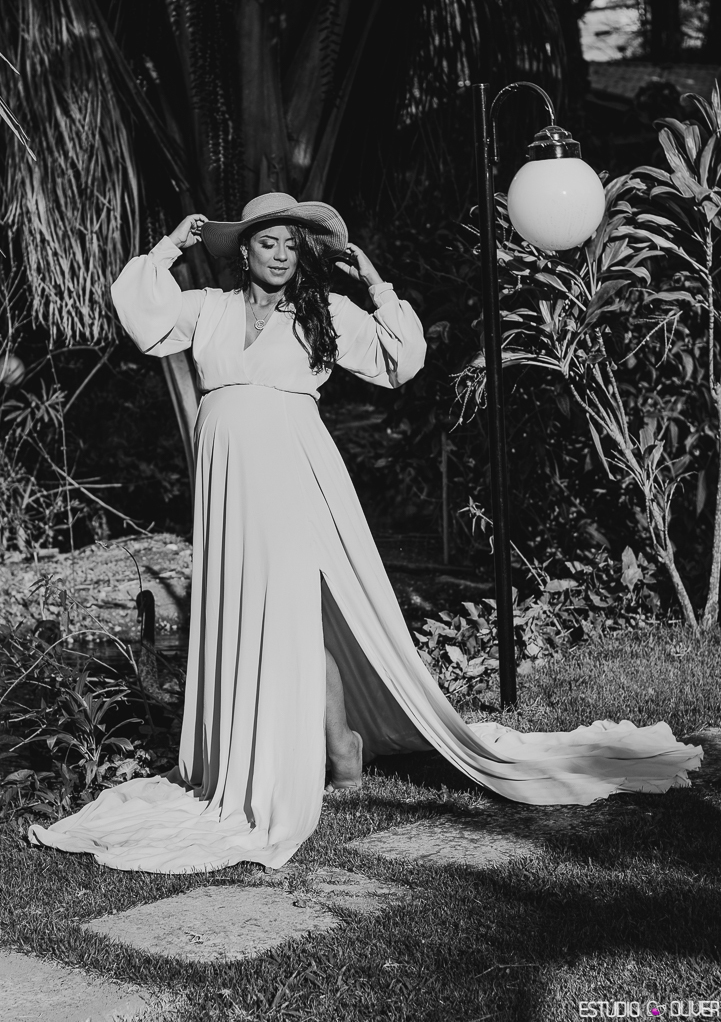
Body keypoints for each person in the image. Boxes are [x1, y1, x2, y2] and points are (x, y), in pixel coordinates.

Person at [29, 193, 702, 874]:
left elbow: (400, 357)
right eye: (268, 243)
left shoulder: (320, 314)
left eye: (293, 246)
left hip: (293, 471)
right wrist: (173, 244)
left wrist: (375, 283)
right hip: (228, 479)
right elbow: (142, 313)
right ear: (243, 250)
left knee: (293, 608)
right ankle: (327, 746)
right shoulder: (208, 308)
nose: (281, 256)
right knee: (255, 612)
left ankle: (327, 749)